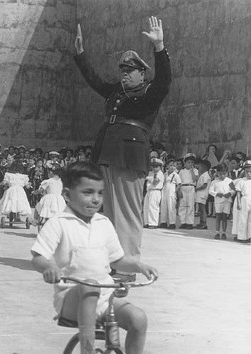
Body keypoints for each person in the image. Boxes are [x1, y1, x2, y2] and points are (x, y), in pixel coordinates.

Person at [74, 16, 171, 279]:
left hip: (129, 155)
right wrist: (81, 54)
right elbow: (95, 81)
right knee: (110, 214)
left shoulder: (150, 92)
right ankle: (115, 262)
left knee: (127, 214)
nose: (125, 75)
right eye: (123, 72)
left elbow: (164, 80)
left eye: (130, 71)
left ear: (142, 73)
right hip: (108, 151)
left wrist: (159, 47)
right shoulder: (116, 92)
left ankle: (128, 269)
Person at [31, 162, 158, 354]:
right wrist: (49, 267)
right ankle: (87, 351)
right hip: (72, 298)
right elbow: (38, 256)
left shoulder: (104, 222)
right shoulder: (58, 223)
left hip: (105, 298)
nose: (96, 199)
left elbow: (116, 260)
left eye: (100, 193)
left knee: (138, 318)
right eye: (88, 192)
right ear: (67, 195)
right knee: (89, 285)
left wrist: (139, 266)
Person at [209, 164, 234, 240]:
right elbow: (210, 191)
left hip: (227, 201)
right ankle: (217, 232)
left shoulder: (230, 181)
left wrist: (230, 193)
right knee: (218, 217)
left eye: (224, 173)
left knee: (224, 217)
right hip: (218, 202)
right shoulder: (214, 182)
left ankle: (224, 233)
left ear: (227, 173)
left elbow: (234, 190)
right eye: (220, 174)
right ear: (217, 173)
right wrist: (216, 194)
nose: (222, 175)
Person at [142, 158, 164, 228]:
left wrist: (149, 178)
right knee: (146, 207)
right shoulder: (151, 173)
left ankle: (153, 223)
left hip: (155, 191)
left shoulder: (160, 174)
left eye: (157, 166)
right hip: (149, 190)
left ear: (160, 167)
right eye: (153, 166)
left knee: (153, 207)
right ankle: (147, 222)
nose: (155, 168)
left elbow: (155, 182)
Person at [159, 159, 181, 229]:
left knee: (171, 207)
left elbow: (179, 184)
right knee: (163, 206)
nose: (172, 167)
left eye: (174, 166)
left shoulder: (176, 175)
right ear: (167, 166)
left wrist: (175, 191)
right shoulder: (164, 174)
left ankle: (172, 223)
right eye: (171, 165)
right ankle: (163, 222)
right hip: (164, 190)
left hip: (171, 190)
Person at [178, 154, 198, 229]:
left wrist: (192, 171)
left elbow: (194, 179)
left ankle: (189, 222)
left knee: (190, 205)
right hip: (183, 187)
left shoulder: (195, 170)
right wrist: (179, 191)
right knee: (182, 206)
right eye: (188, 162)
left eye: (192, 162)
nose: (190, 164)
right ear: (185, 163)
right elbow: (179, 182)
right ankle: (183, 222)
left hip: (191, 187)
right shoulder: (181, 171)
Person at [235, 160, 251, 243]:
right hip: (244, 199)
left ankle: (249, 236)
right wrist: (238, 202)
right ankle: (242, 236)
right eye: (247, 172)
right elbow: (238, 193)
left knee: (250, 220)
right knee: (243, 218)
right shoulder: (242, 181)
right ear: (244, 172)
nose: (249, 174)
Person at [194, 159, 211, 230]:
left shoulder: (205, 175)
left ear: (204, 167)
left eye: (200, 166)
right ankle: (201, 222)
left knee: (202, 209)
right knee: (201, 209)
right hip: (200, 194)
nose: (199, 168)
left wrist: (196, 189)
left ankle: (204, 223)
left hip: (202, 194)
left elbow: (204, 185)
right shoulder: (203, 175)